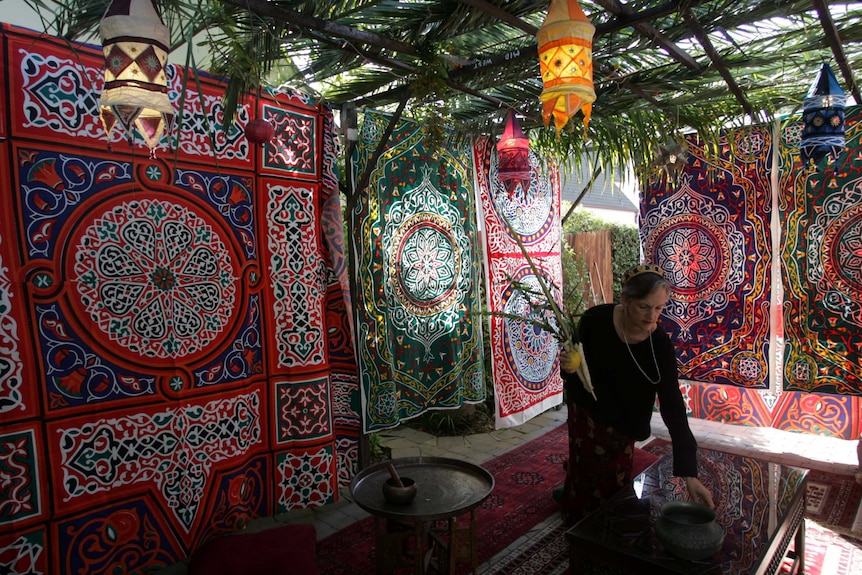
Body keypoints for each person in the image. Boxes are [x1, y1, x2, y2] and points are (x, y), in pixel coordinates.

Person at [558, 263, 714, 525]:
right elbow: (573, 366)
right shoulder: (595, 321)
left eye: (659, 308)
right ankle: (576, 517)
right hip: (588, 411)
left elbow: (673, 406)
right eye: (644, 307)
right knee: (583, 466)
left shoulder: (660, 346)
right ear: (625, 300)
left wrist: (690, 474)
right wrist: (569, 366)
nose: (652, 317)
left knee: (614, 482)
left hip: (626, 422)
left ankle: (602, 526)